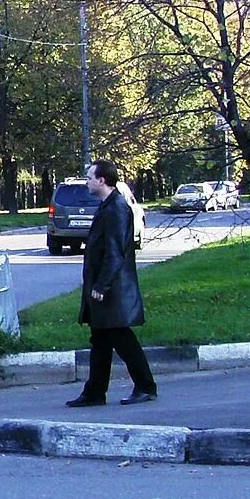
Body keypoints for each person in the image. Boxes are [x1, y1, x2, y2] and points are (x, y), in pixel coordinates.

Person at [67, 159, 158, 407]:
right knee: (101, 341)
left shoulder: (117, 207)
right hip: (107, 288)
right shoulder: (109, 205)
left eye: (89, 177)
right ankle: (95, 391)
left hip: (114, 289)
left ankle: (145, 386)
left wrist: (101, 286)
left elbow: (115, 252)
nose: (87, 181)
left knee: (122, 338)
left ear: (102, 180)